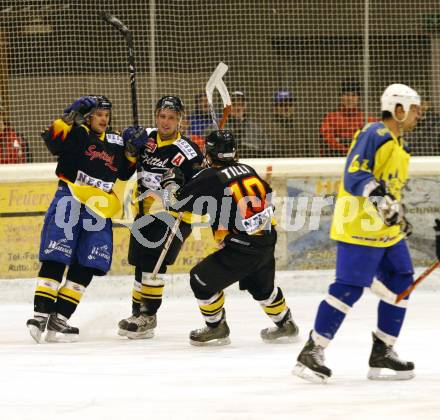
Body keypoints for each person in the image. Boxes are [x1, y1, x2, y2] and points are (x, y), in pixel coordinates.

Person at [293, 84, 421, 383]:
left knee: (402, 280)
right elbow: (355, 175)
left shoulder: (400, 144)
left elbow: (388, 187)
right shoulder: (374, 134)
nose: (418, 116)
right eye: (414, 109)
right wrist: (382, 201)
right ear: (398, 109)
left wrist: (396, 212)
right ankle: (312, 351)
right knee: (349, 287)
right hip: (359, 227)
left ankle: (383, 351)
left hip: (385, 231)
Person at [160, 130, 299, 345]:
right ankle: (286, 323)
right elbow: (264, 194)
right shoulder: (248, 169)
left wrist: (170, 183)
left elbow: (174, 203)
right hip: (266, 238)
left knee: (200, 279)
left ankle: (216, 327)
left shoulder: (210, 177)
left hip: (243, 246)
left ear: (210, 152)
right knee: (262, 288)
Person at [26, 95, 136, 343]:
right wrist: (68, 117)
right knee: (57, 253)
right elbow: (53, 142)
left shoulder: (116, 141)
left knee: (91, 261)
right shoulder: (78, 133)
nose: (103, 119)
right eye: (99, 114)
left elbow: (124, 172)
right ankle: (40, 313)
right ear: (88, 116)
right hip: (71, 198)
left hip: (99, 206)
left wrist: (132, 153)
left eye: (106, 115)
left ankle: (60, 318)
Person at [117, 96, 204, 339]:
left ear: (180, 121)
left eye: (172, 118)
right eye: (162, 116)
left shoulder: (189, 150)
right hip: (143, 213)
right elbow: (124, 172)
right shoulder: (144, 138)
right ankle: (137, 313)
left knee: (154, 264)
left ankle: (149, 315)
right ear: (156, 116)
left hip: (173, 215)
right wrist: (130, 152)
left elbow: (198, 188)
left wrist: (183, 182)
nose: (166, 122)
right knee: (139, 263)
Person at [320, 81, 376, 157]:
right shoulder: (330, 118)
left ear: (359, 98)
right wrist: (351, 149)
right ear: (341, 97)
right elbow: (328, 140)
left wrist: (341, 140)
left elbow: (370, 141)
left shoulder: (368, 119)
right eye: (346, 95)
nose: (350, 98)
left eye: (353, 95)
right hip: (335, 159)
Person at [213, 91, 268, 158]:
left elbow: (266, 151)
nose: (238, 107)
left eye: (241, 103)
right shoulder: (219, 127)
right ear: (228, 107)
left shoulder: (256, 128)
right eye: (234, 103)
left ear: (245, 106)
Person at [267, 89, 299, 157]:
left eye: (289, 104)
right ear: (275, 108)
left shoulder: (300, 131)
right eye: (282, 104)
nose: (286, 108)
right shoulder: (268, 131)